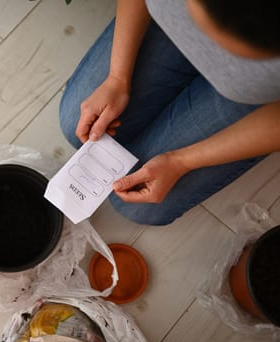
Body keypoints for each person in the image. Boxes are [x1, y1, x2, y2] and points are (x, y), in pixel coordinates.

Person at [59, 0, 280, 225]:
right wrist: (117, 78)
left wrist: (181, 162)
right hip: (171, 31)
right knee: (74, 123)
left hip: (257, 96)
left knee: (138, 207)